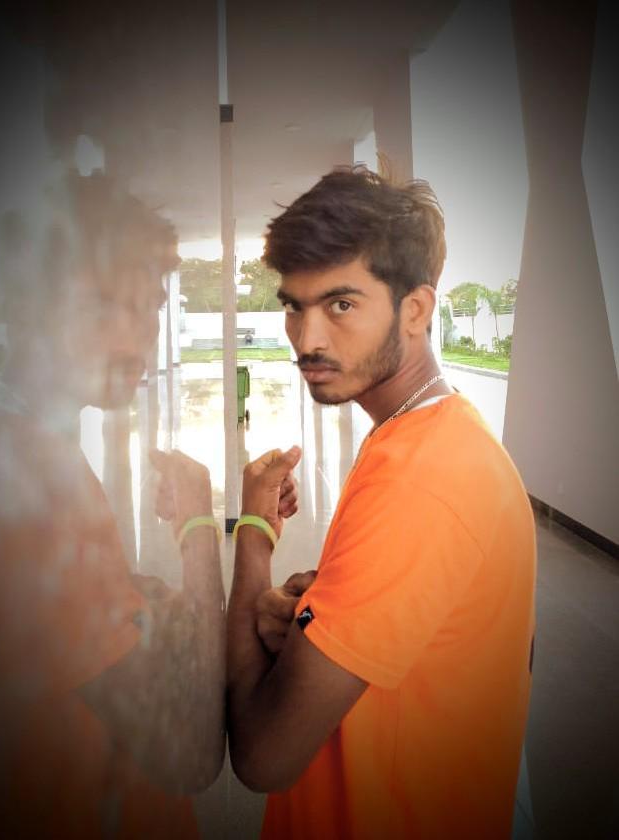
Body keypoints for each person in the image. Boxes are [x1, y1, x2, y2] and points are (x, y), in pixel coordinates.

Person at [226, 166, 536, 839]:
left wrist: (252, 531)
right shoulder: (435, 432)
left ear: (416, 310)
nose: (307, 339)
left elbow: (261, 755)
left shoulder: (417, 479)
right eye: (294, 306)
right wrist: (318, 611)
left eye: (340, 304)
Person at [0, 171, 225, 839]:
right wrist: (199, 530)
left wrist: (142, 598)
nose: (136, 337)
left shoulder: (28, 437)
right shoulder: (34, 473)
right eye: (100, 305)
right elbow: (190, 753)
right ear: (28, 305)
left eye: (147, 306)